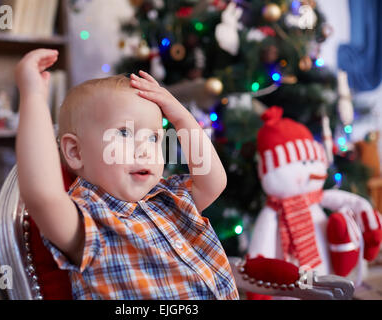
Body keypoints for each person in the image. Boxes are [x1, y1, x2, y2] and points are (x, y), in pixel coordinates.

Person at [15, 48, 238, 299]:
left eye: (153, 137)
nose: (145, 149)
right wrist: (33, 95)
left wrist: (180, 117)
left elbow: (214, 181)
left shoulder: (169, 198)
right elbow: (42, 195)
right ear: (76, 152)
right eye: (123, 133)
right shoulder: (90, 220)